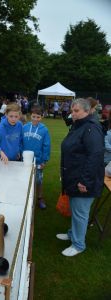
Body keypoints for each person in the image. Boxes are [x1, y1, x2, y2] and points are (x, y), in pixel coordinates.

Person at [57, 98, 104, 256]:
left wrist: (85, 181)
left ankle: (78, 245)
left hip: (84, 180)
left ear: (87, 111)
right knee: (75, 210)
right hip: (74, 176)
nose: (73, 113)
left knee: (80, 213)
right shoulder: (78, 125)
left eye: (76, 111)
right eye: (72, 110)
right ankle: (72, 234)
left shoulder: (91, 128)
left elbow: (95, 156)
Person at [23, 104, 51, 209]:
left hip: (38, 160)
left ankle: (39, 197)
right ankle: (26, 197)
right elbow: (21, 142)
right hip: (24, 159)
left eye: (38, 117)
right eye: (34, 116)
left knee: (39, 180)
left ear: (42, 117)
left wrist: (44, 160)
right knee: (25, 179)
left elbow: (47, 145)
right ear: (31, 116)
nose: (36, 119)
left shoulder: (44, 130)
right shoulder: (25, 127)